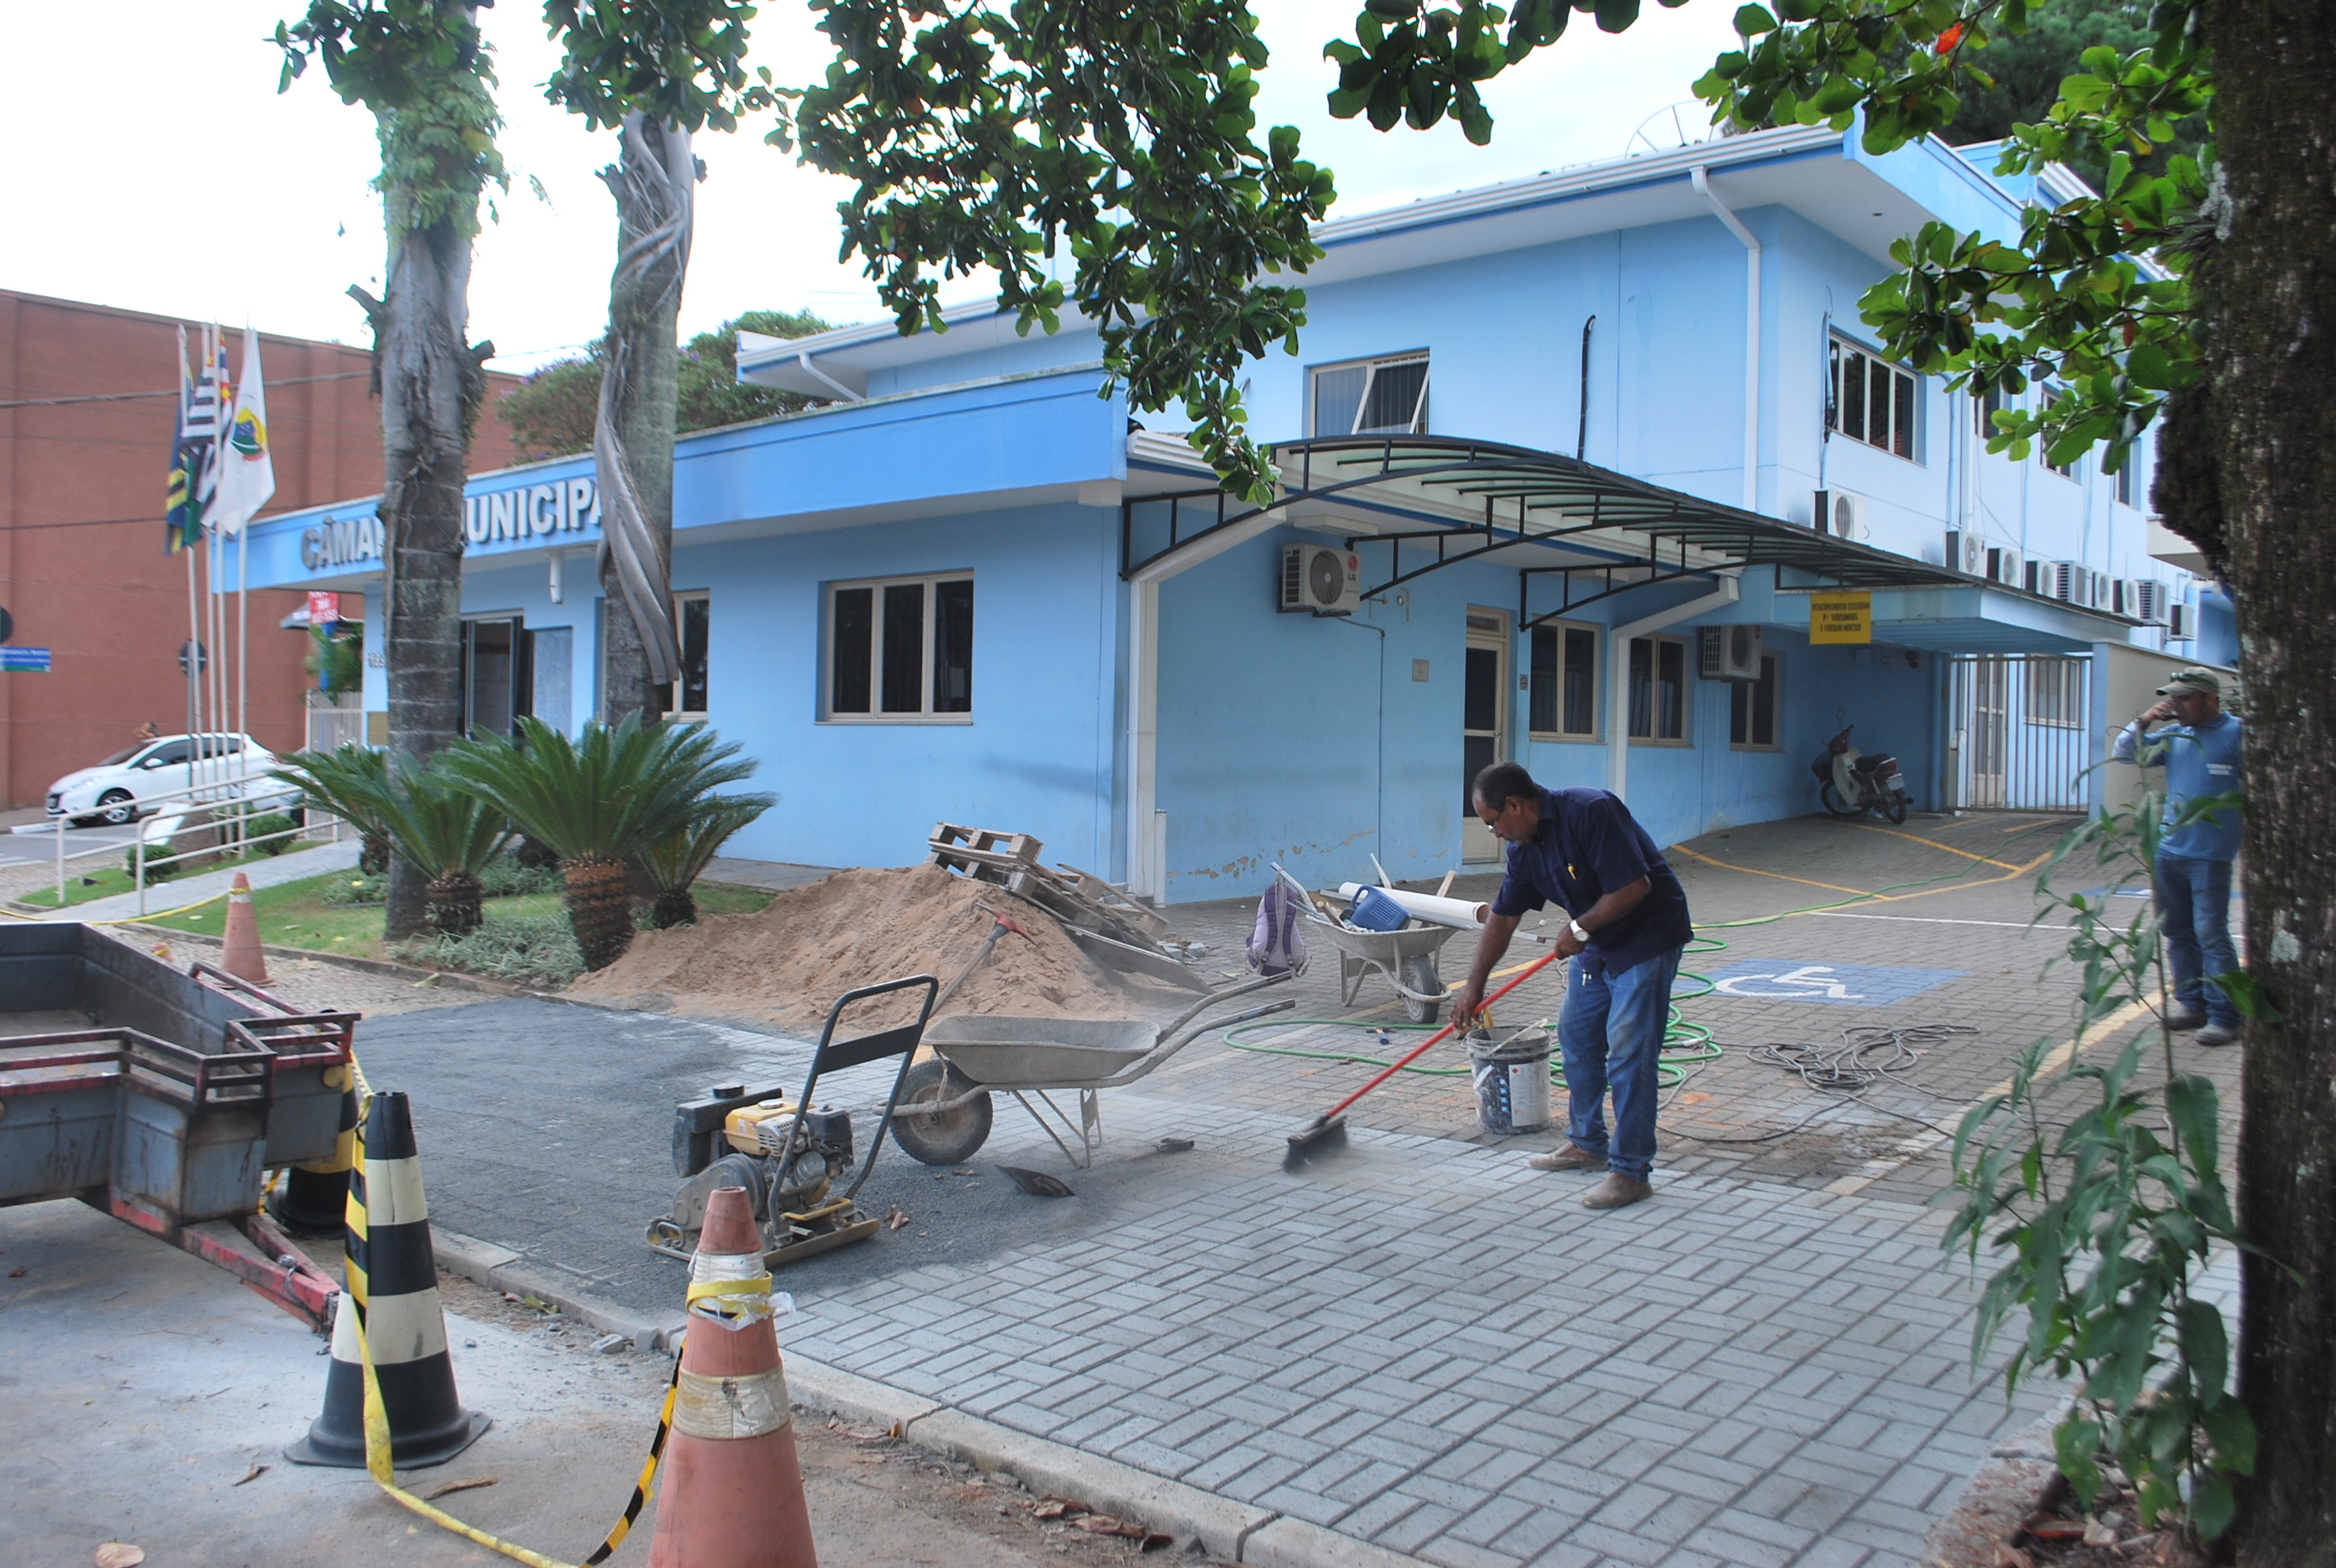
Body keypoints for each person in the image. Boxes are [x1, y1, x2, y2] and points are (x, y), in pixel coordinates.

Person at [1452, 761, 1694, 1211]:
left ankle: (1630, 1172)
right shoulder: (1524, 850)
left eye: (1492, 823)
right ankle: (1587, 1143)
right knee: (1577, 1038)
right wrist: (1474, 986)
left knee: (1628, 1051)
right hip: (1598, 943)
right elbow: (1503, 919)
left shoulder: (1590, 811)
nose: (1494, 833)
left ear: (1515, 805)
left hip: (1647, 939)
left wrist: (1579, 929)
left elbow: (1634, 887)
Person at [2111, 668, 2244, 1047]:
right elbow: (2124, 753)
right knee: (2176, 931)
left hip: (2211, 854)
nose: (2178, 705)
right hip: (2169, 850)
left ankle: (2225, 1016)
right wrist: (2146, 719)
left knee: (2211, 934)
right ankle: (2192, 1004)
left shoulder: (2237, 733)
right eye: (2174, 697)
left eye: (2186, 698)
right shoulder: (2175, 734)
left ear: (2210, 699)